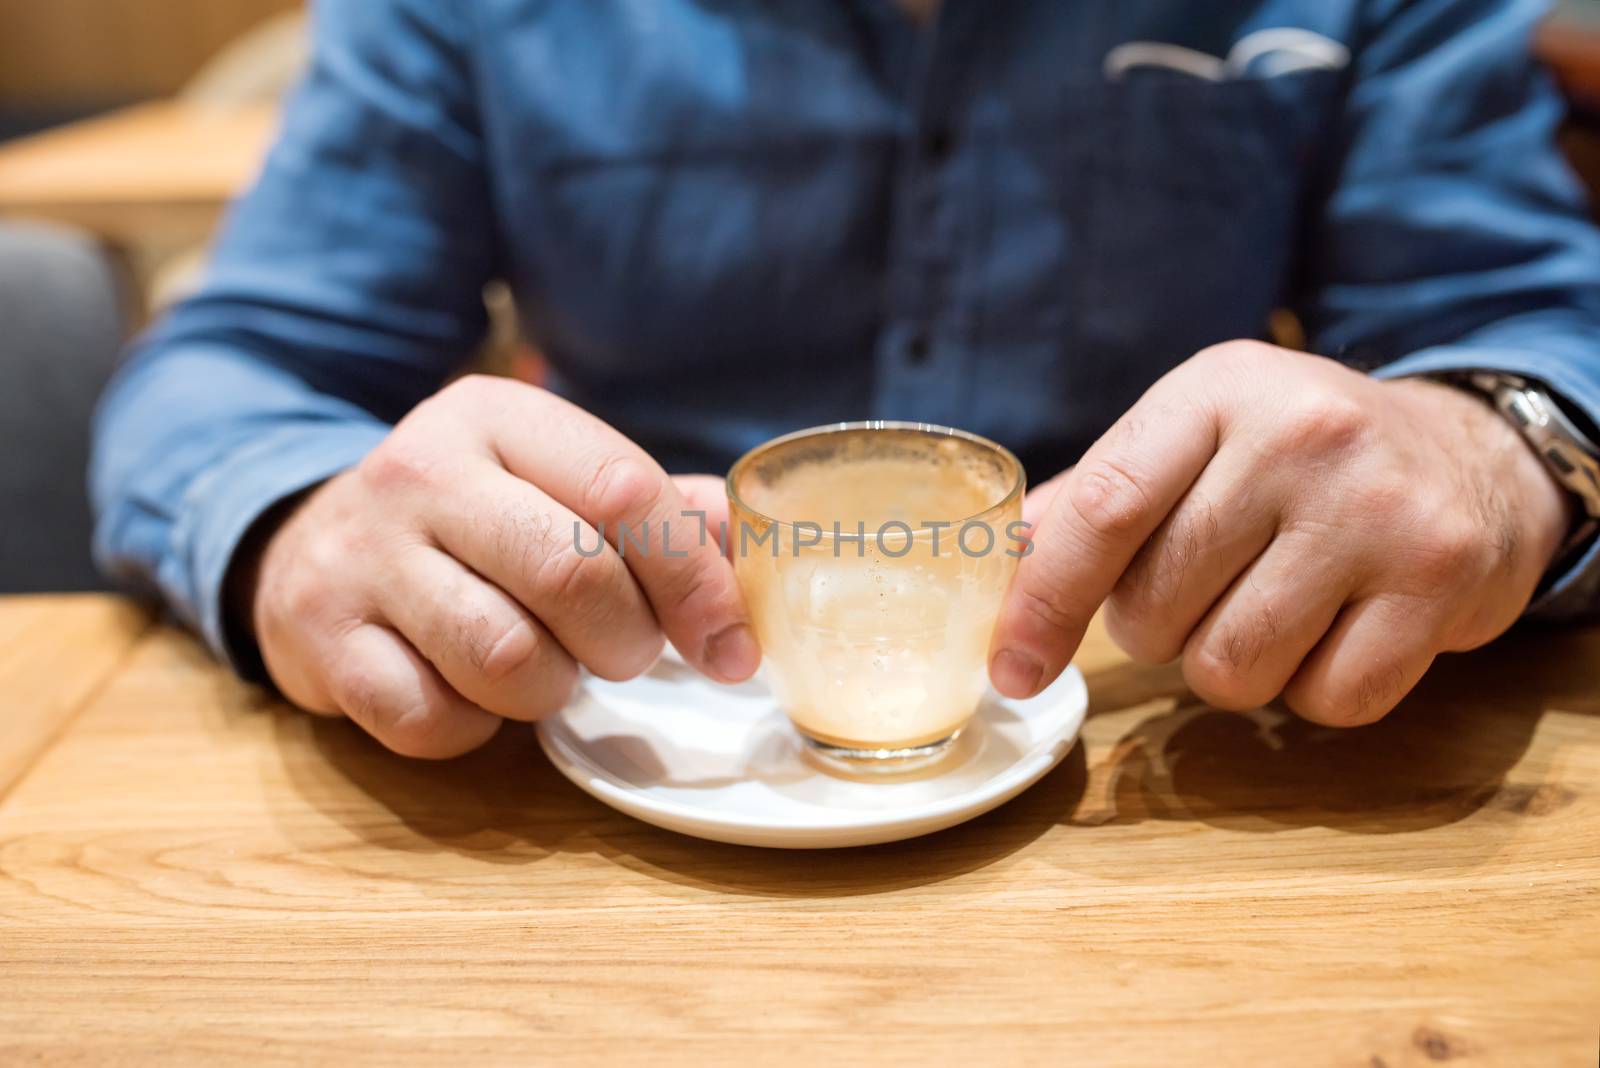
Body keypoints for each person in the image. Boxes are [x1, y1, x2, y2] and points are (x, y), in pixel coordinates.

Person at [92, 0, 1600, 759]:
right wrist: (298, 526)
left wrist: (1489, 448)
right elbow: (234, 369)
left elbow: (1523, 312)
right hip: (629, 760)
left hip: (1193, 758)